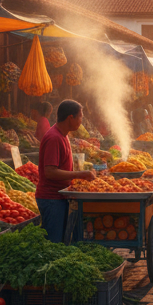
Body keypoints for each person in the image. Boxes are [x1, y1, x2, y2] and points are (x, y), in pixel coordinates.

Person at [35, 99, 98, 243]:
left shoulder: (63, 135)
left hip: (60, 198)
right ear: (71, 117)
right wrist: (80, 174)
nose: (81, 121)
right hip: (51, 199)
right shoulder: (54, 138)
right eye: (80, 116)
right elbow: (49, 172)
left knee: (62, 241)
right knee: (54, 243)